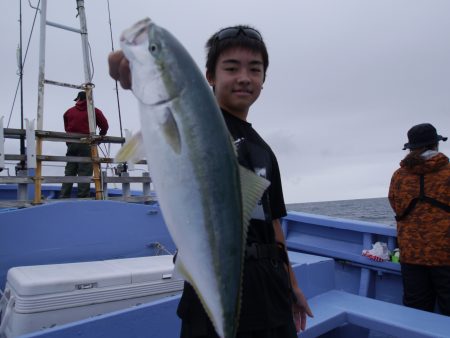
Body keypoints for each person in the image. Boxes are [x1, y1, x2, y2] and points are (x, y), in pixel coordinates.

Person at [108, 24, 313, 337]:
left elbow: (274, 228)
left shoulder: (264, 151)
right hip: (206, 299)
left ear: (263, 80)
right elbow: (157, 99)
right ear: (209, 77)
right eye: (231, 68)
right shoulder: (197, 122)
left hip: (272, 295)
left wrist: (293, 287)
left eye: (254, 69)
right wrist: (132, 69)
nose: (244, 77)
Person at [388, 123, 450, 316]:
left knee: (417, 313)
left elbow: (395, 204)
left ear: (411, 148)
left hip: (411, 256)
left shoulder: (399, 176)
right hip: (446, 256)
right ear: (435, 145)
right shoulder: (448, 172)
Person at [60, 91, 109, 198]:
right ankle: (82, 197)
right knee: (85, 171)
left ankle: (63, 196)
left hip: (72, 144)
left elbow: (67, 128)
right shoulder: (94, 111)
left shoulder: (68, 112)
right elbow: (105, 126)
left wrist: (70, 141)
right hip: (87, 143)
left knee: (70, 170)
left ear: (78, 99)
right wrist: (100, 136)